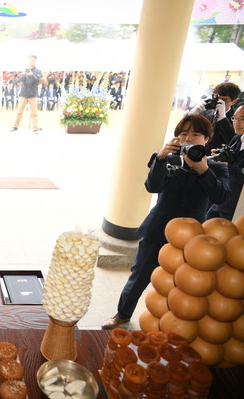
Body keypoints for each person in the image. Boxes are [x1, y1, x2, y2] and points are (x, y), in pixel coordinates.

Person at [102, 114, 230, 330]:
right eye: (183, 133)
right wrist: (160, 158)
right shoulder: (169, 160)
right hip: (157, 228)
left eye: (195, 134)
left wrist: (203, 170)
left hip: (190, 237)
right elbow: (152, 186)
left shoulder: (216, 168)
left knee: (181, 282)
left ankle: (170, 321)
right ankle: (122, 315)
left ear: (207, 139)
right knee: (140, 274)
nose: (189, 138)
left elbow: (221, 197)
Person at [207, 105, 244, 221]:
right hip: (223, 198)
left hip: (237, 204)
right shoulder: (237, 138)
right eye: (234, 118)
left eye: (242, 119)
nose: (236, 123)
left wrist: (228, 165)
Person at [189, 82, 241, 155]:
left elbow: (233, 139)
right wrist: (194, 112)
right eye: (217, 98)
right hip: (197, 152)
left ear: (234, 101)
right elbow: (185, 128)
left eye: (224, 100)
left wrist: (222, 118)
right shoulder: (206, 113)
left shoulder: (237, 118)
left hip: (217, 157)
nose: (219, 102)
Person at [10, 55, 43, 134]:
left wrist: (32, 75)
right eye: (30, 60)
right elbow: (21, 80)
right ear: (28, 61)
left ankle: (35, 128)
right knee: (19, 111)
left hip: (33, 94)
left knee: (34, 113)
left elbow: (37, 80)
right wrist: (17, 79)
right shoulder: (25, 70)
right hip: (24, 94)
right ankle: (15, 126)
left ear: (36, 61)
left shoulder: (38, 71)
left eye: (33, 60)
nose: (31, 61)